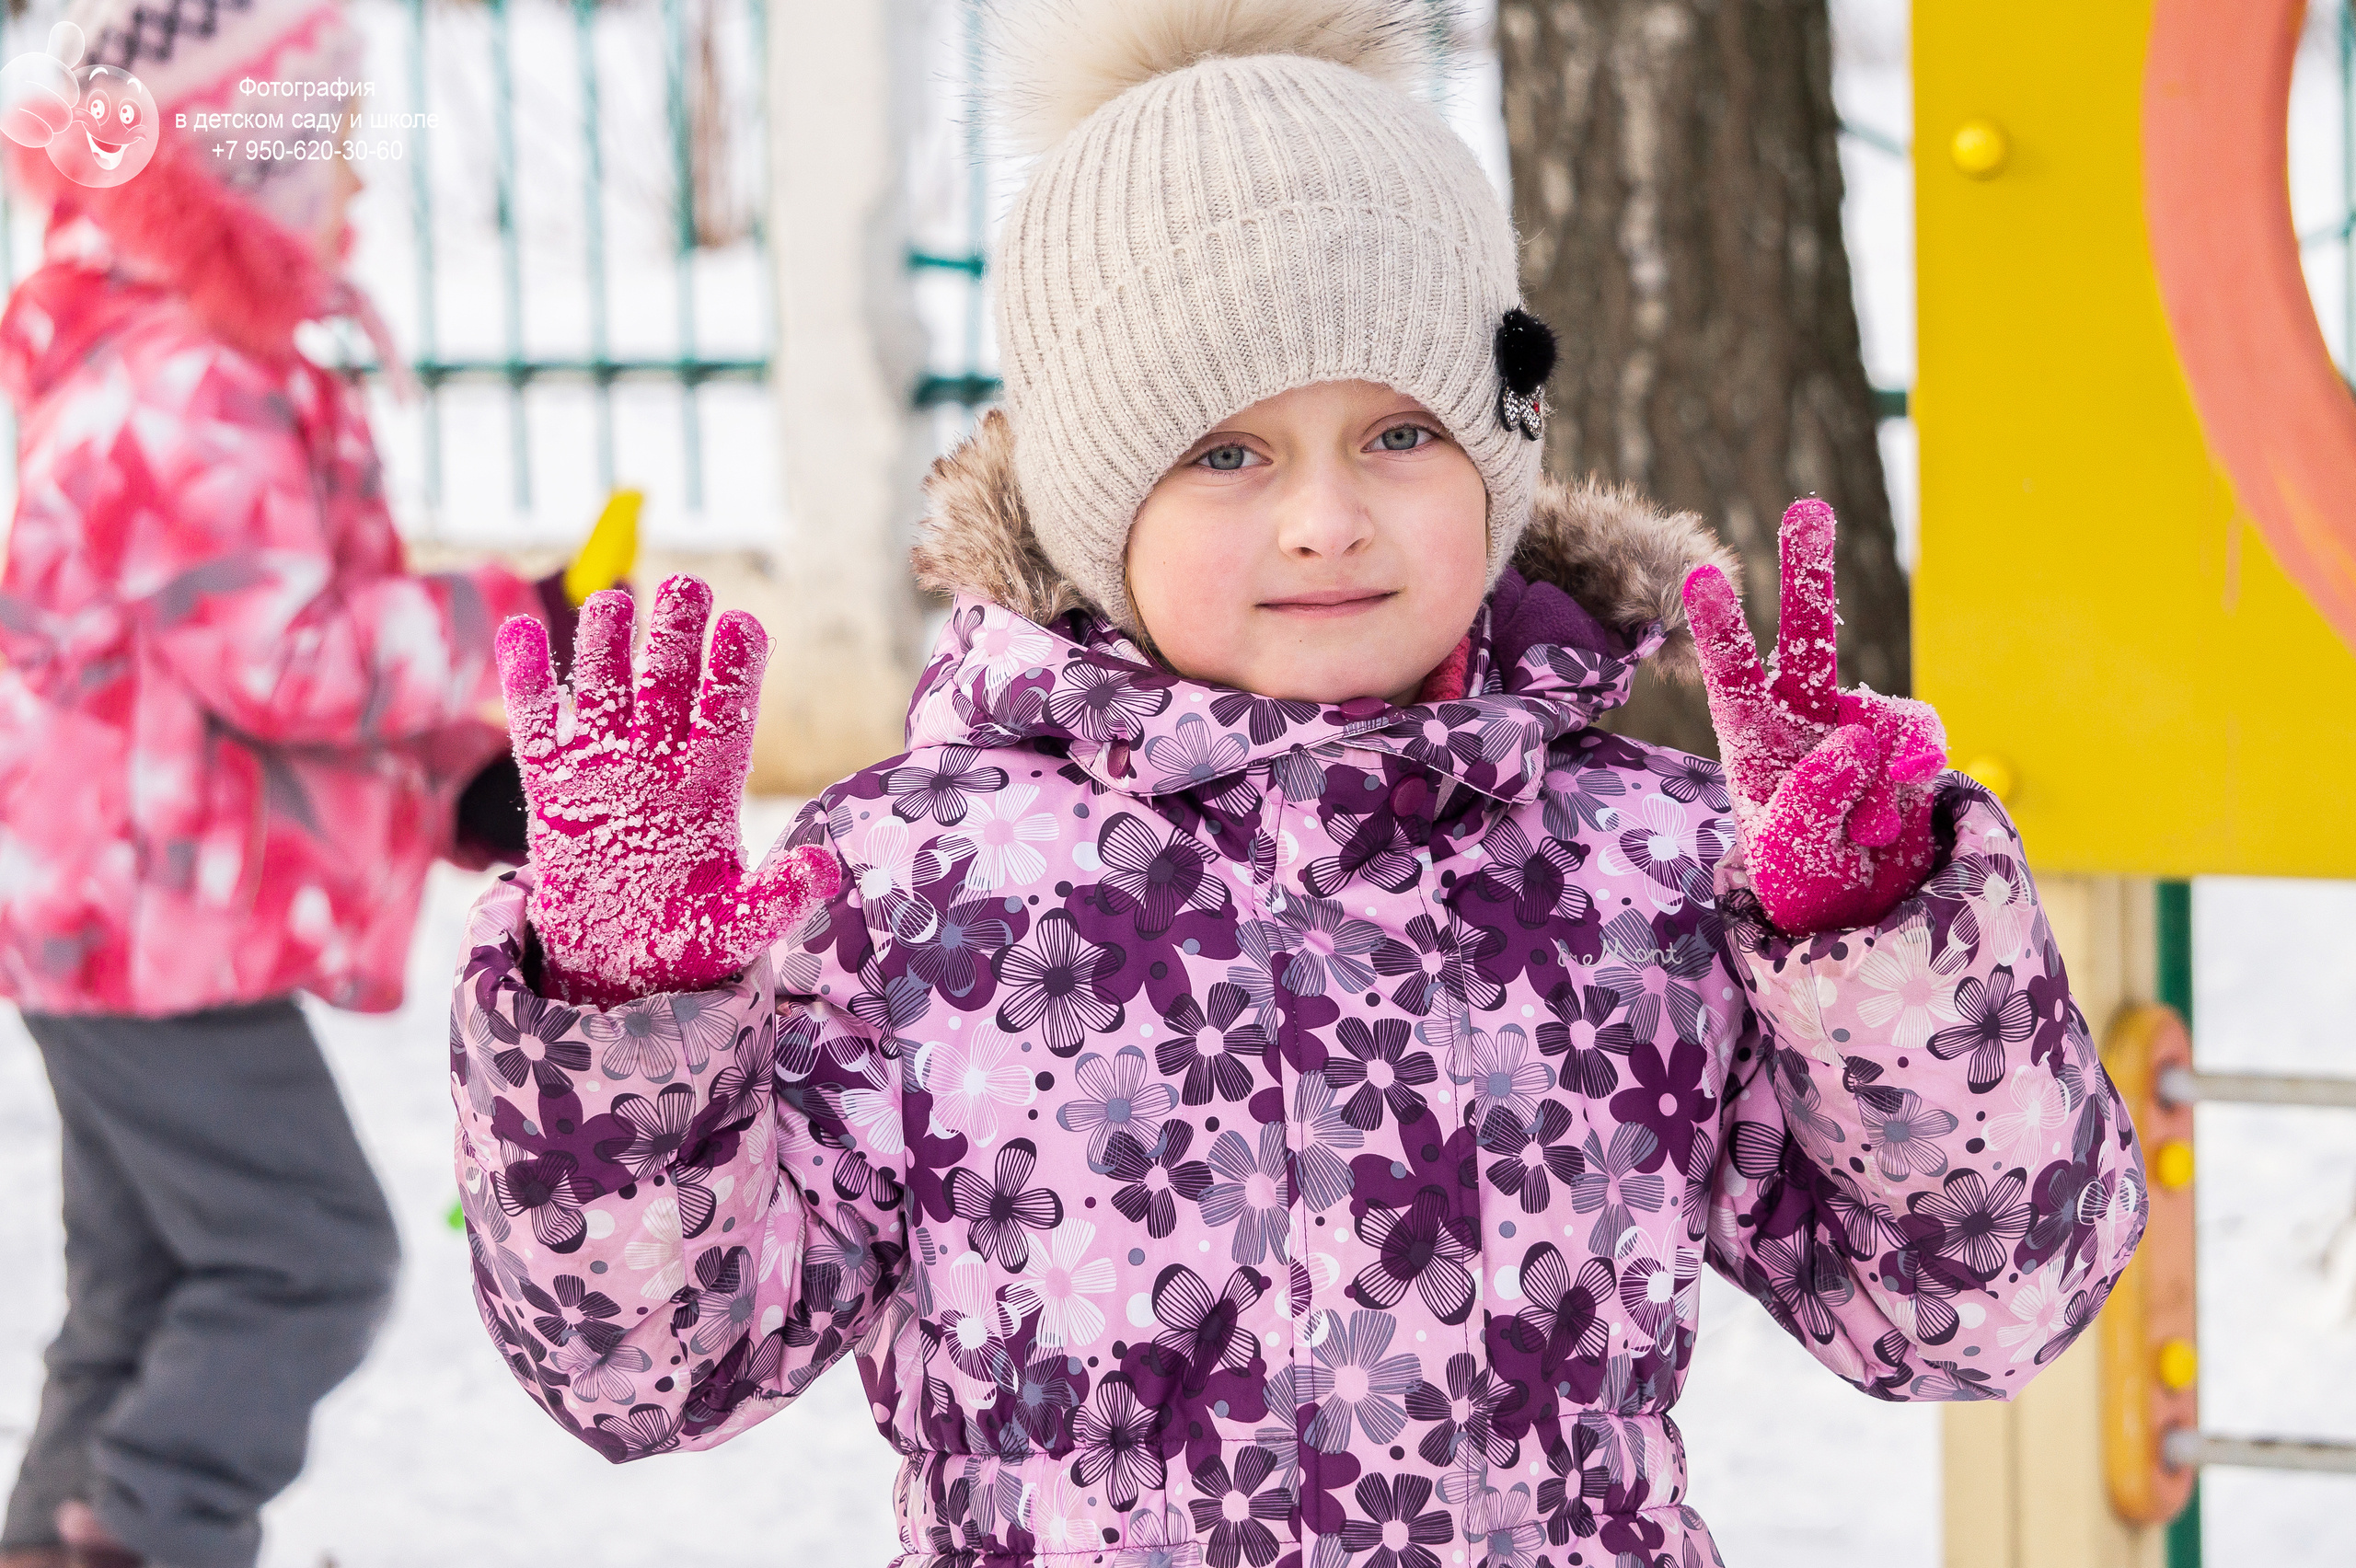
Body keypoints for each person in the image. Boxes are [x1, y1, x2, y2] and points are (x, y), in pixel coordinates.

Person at [451, 3, 2149, 1563]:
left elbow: (1975, 1306)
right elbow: (658, 1373)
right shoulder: (926, 886)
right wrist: (622, 1014)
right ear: (1091, 496)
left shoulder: (1645, 862)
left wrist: (1884, 950)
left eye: (1401, 435)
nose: (1327, 519)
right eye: (1229, 454)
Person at [0, 0, 617, 1562]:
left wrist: (465, 781)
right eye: (329, 152)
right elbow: (290, 656)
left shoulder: (194, 371)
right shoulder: (182, 394)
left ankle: (62, 1540)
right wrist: (514, 626)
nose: (353, 187)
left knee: (149, 1274)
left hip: (121, 917)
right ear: (238, 170)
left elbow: (232, 699)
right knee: (303, 1255)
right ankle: (151, 1530)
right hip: (146, 933)